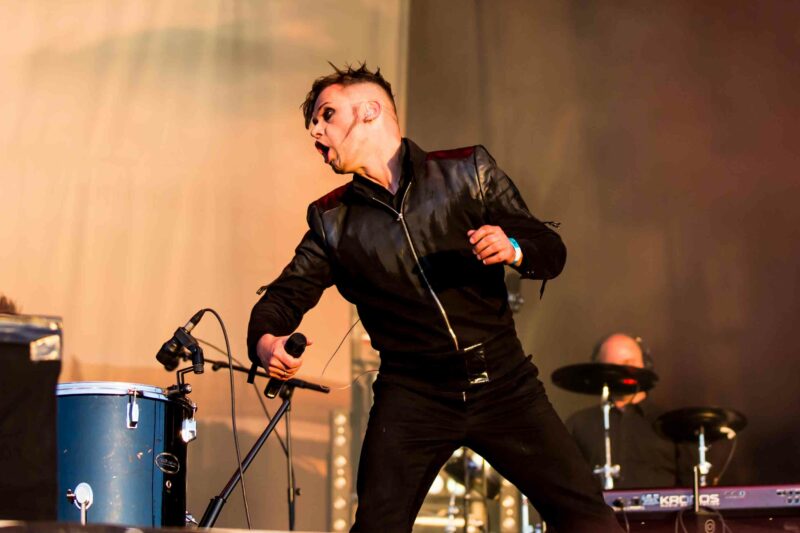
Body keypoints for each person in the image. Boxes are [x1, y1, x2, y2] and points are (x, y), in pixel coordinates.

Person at [247, 63, 620, 532]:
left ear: (369, 111)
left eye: (326, 115)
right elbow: (283, 298)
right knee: (377, 527)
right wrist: (267, 342)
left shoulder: (468, 171)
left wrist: (514, 247)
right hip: (413, 395)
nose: (315, 131)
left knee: (589, 520)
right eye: (313, 123)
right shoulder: (332, 221)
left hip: (504, 384)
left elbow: (550, 248)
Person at [566, 333, 696, 489]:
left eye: (629, 363)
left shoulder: (673, 423)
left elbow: (694, 490)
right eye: (613, 366)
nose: (622, 371)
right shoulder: (578, 424)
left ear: (646, 365)